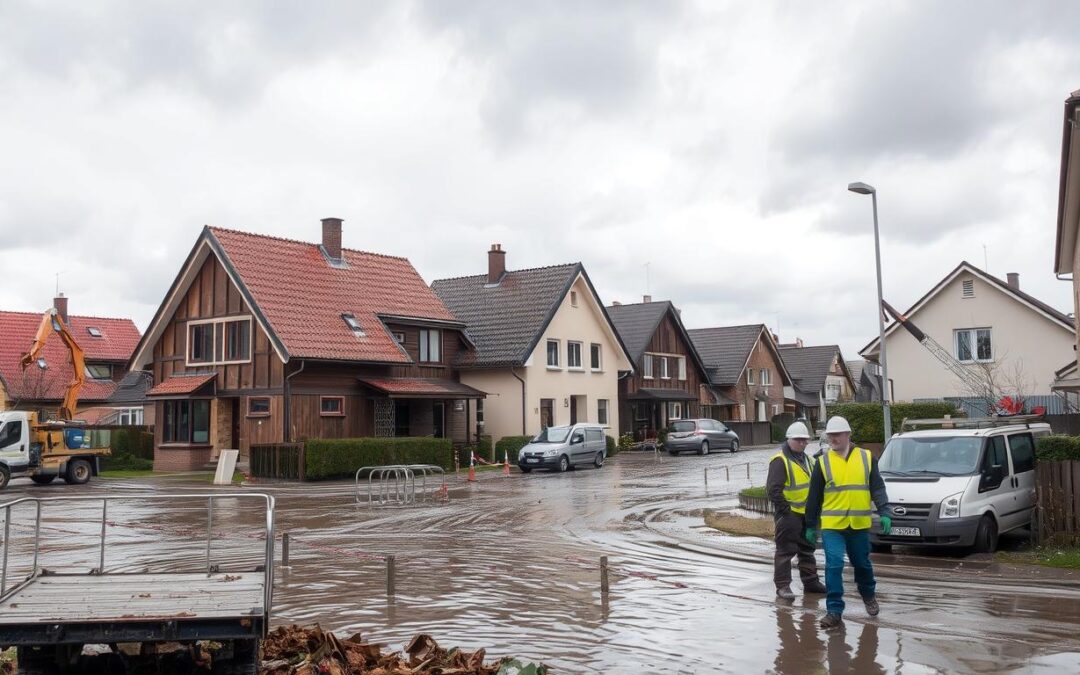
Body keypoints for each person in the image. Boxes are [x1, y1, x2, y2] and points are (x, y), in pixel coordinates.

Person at [804, 415, 891, 630]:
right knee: (834, 564)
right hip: (833, 526)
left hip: (859, 525)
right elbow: (814, 497)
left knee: (862, 565)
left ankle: (868, 595)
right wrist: (810, 525)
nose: (833, 438)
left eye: (837, 434)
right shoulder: (823, 462)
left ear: (848, 435)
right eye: (830, 435)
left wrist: (885, 511)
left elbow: (877, 487)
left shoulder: (866, 457)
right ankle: (834, 611)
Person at [766, 420, 827, 600]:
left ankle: (811, 583)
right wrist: (785, 511)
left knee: (807, 549)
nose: (802, 443)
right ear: (789, 440)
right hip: (790, 515)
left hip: (807, 514)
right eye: (799, 440)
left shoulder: (808, 460)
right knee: (785, 551)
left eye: (805, 440)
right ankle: (783, 586)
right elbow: (773, 490)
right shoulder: (780, 460)